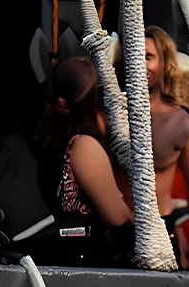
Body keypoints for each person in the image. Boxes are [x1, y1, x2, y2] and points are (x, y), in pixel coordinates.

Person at [48, 57, 134, 267]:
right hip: (83, 256)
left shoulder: (55, 140)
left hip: (64, 251)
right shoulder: (83, 145)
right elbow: (117, 218)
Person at [142, 26, 189, 269]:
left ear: (166, 64)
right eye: (134, 55)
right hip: (107, 230)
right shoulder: (108, 114)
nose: (139, 63)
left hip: (157, 230)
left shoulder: (183, 123)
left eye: (148, 57)